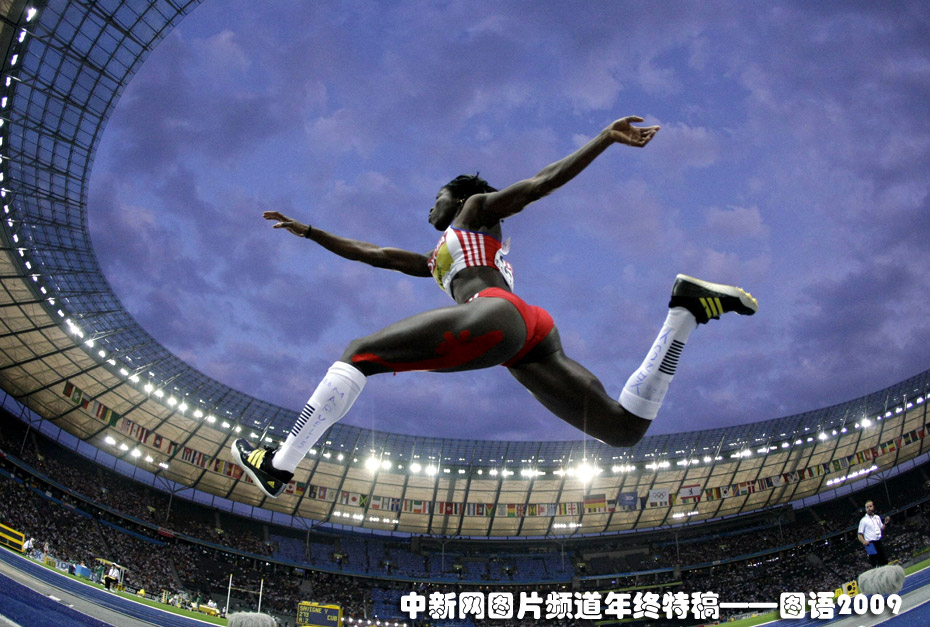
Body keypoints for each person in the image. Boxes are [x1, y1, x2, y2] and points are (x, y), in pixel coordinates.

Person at [232, 116, 758, 497]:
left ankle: (279, 465)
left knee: (358, 353)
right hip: (529, 335)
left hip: (497, 314)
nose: (430, 207)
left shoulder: (475, 211)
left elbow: (537, 185)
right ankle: (684, 313)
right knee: (622, 430)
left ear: (459, 197)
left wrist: (604, 138)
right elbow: (372, 254)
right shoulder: (437, 258)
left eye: (436, 197)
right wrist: (311, 232)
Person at [858, 500, 891, 566]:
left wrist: (886, 523)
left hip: (878, 541)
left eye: (870, 506)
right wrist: (864, 541)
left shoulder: (877, 517)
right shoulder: (863, 520)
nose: (869, 508)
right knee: (875, 563)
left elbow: (882, 528)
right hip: (870, 544)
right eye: (867, 507)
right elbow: (859, 534)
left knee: (884, 561)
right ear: (865, 509)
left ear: (873, 507)